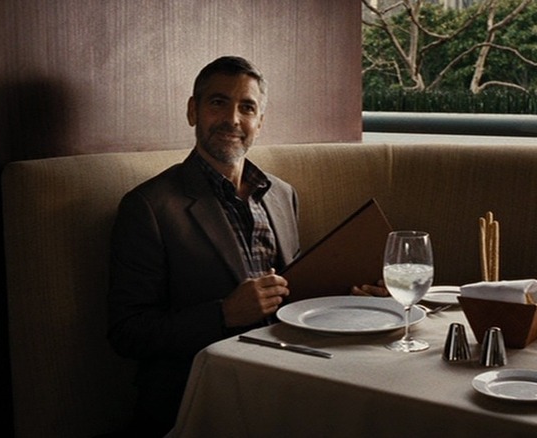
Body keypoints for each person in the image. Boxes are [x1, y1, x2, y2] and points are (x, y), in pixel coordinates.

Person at [107, 55, 386, 437]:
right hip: (204, 395)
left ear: (260, 122)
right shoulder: (148, 207)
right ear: (194, 111)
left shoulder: (282, 195)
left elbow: (294, 297)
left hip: (295, 378)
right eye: (218, 103)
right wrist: (223, 314)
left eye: (247, 107)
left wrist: (355, 298)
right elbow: (128, 332)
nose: (233, 120)